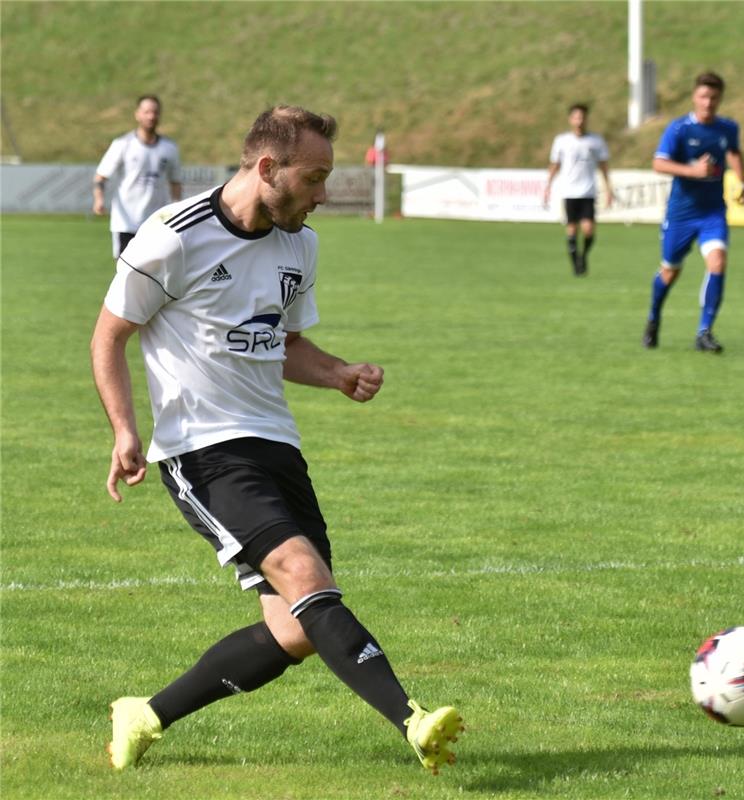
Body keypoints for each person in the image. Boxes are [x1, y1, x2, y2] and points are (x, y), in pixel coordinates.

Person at [90, 106, 463, 773]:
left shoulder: (300, 244)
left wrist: (338, 372)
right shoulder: (173, 237)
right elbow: (109, 334)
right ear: (267, 168)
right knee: (304, 574)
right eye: (314, 177)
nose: (323, 194)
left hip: (275, 444)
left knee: (295, 629)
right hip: (203, 448)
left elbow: (282, 343)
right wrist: (125, 429)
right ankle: (412, 720)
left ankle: (145, 714)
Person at [642, 72, 744, 353]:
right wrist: (693, 171)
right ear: (694, 97)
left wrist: (742, 181)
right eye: (703, 96)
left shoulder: (727, 128)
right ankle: (653, 317)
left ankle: (705, 332)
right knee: (670, 271)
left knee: (718, 263)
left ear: (720, 99)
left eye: (714, 97)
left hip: (713, 213)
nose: (708, 102)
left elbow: (734, 152)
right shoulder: (679, 129)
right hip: (681, 215)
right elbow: (658, 164)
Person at [93, 95, 184, 259]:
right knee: (125, 273)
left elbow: (175, 181)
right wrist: (99, 200)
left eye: (155, 112)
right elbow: (101, 176)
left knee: (155, 274)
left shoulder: (169, 148)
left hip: (157, 222)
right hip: (126, 222)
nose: (151, 116)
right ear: (138, 114)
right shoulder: (123, 144)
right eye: (147, 112)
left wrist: (176, 207)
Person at [543, 103, 613, 276]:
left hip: (588, 191)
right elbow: (554, 165)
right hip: (569, 191)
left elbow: (603, 166)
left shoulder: (595, 141)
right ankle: (576, 264)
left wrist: (609, 188)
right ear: (570, 119)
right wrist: (547, 186)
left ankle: (583, 255)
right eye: (576, 117)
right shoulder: (562, 141)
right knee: (572, 229)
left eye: (582, 117)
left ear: (586, 119)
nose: (579, 120)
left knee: (589, 229)